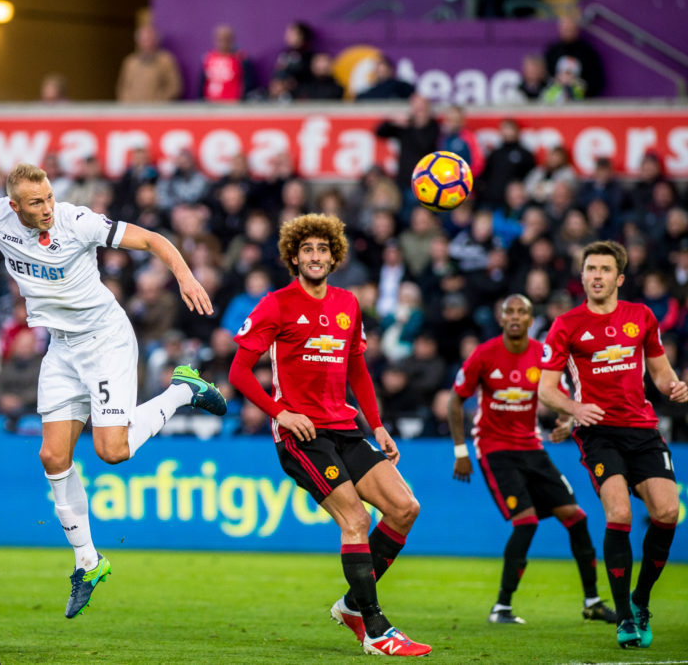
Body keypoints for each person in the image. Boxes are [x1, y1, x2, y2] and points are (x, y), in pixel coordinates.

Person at [0, 164, 228, 619]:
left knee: (113, 451)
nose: (47, 208)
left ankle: (182, 391)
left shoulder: (77, 221)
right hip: (62, 348)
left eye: (49, 197)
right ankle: (87, 561)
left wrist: (185, 275)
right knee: (51, 456)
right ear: (14, 206)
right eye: (36, 202)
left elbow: (153, 240)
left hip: (105, 341)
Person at [227, 214, 431, 657]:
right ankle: (375, 630)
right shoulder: (276, 304)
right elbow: (239, 372)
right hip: (302, 436)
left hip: (347, 427)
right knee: (356, 521)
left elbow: (357, 368)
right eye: (307, 250)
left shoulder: (348, 303)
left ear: (334, 255)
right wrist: (280, 414)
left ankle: (353, 605)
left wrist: (377, 424)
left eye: (323, 249)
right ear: (294, 257)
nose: (316, 257)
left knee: (404, 508)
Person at [538, 240, 685, 649]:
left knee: (668, 511)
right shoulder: (566, 324)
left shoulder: (641, 317)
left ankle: (640, 600)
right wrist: (576, 408)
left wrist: (674, 387)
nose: (597, 276)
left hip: (642, 429)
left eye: (604, 269)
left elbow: (659, 371)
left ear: (619, 277)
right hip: (599, 431)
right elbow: (547, 390)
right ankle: (623, 618)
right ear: (582, 276)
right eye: (590, 269)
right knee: (618, 513)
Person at [448, 294, 618, 625]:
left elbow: (563, 395)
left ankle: (593, 602)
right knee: (525, 522)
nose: (514, 316)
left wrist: (567, 420)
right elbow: (456, 401)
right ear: (500, 319)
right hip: (495, 448)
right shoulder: (484, 354)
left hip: (532, 447)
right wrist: (460, 451)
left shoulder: (542, 354)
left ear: (530, 320)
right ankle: (502, 607)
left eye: (521, 312)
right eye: (508, 311)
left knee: (577, 518)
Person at [116, 24, 183, 103]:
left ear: (156, 41)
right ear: (138, 42)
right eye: (144, 40)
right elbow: (122, 86)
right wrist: (128, 103)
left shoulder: (166, 60)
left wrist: (159, 101)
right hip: (133, 111)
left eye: (150, 40)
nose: (148, 44)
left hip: (157, 111)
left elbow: (175, 86)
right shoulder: (130, 62)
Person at [544, 13, 604, 97]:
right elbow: (545, 76)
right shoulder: (552, 51)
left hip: (582, 99)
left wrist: (575, 82)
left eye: (570, 29)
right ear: (560, 29)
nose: (568, 33)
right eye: (565, 29)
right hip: (555, 100)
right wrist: (559, 80)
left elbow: (595, 79)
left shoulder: (587, 52)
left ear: (577, 30)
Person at [198, 24, 255, 102]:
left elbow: (248, 83)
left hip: (232, 105)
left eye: (226, 39)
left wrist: (241, 100)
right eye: (219, 40)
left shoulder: (241, 59)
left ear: (232, 40)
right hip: (210, 104)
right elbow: (201, 83)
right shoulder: (208, 58)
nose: (223, 43)